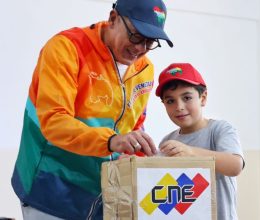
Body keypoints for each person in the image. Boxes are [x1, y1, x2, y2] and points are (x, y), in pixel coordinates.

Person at [11, 0, 173, 219]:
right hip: (50, 186)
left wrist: (138, 153)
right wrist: (111, 141)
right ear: (113, 18)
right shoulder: (66, 48)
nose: (140, 49)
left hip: (103, 193)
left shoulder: (145, 69)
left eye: (150, 42)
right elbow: (54, 122)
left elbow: (133, 124)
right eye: (135, 36)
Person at [156, 63, 245, 220]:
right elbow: (163, 195)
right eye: (170, 101)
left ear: (203, 98)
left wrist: (190, 153)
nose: (179, 107)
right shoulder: (167, 141)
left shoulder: (219, 129)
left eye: (187, 98)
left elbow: (235, 165)